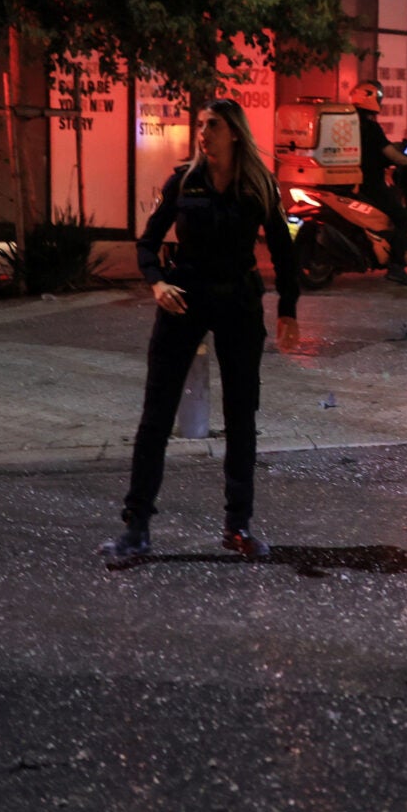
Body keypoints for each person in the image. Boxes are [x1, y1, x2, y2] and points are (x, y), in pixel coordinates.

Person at [100, 98, 302, 564]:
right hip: (184, 299)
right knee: (156, 415)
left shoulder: (258, 185)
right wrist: (157, 283)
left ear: (234, 132)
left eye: (213, 125)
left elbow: (284, 252)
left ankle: (238, 527)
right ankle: (137, 528)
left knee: (241, 417)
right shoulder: (184, 181)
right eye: (201, 125)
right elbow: (148, 242)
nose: (203, 133)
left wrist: (288, 309)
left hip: (238, 304)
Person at [350, 79, 407, 285]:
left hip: (350, 183)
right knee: (402, 218)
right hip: (371, 185)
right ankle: (396, 267)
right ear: (371, 98)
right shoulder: (371, 127)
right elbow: (390, 153)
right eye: (379, 97)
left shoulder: (349, 123)